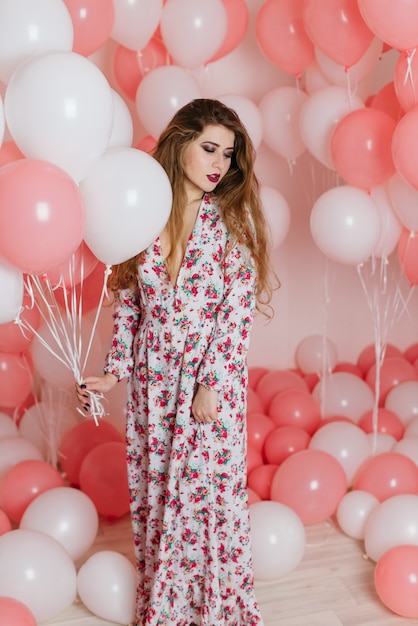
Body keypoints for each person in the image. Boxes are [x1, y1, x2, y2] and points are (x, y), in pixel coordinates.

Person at [76, 98, 277, 626]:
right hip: (152, 385)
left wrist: (209, 383)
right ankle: (166, 612)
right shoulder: (143, 215)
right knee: (158, 496)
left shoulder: (232, 225)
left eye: (228, 155)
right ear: (180, 143)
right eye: (209, 148)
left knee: (206, 500)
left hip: (208, 385)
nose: (219, 164)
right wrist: (113, 371)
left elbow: (235, 316)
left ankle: (215, 613)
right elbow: (132, 307)